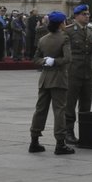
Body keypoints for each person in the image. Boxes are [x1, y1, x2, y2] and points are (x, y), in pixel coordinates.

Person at [30, 11, 72, 154]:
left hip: (44, 79)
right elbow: (67, 59)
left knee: (40, 110)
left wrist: (44, 61)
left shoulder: (43, 39)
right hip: (59, 79)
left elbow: (35, 59)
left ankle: (34, 140)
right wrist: (55, 61)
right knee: (59, 110)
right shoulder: (64, 38)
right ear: (61, 24)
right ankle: (60, 143)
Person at [63, 4, 92, 144]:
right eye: (84, 14)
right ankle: (68, 132)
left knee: (86, 105)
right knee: (70, 105)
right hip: (72, 73)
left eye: (88, 14)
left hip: (88, 73)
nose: (87, 16)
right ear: (76, 16)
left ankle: (85, 133)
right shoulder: (68, 31)